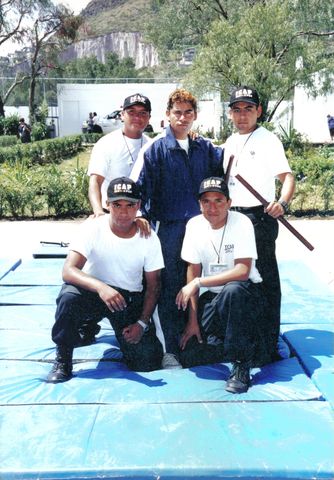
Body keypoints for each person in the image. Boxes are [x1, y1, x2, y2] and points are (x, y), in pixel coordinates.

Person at [134, 88, 223, 369]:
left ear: (195, 116)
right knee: (169, 288)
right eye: (177, 112)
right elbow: (135, 189)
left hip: (200, 229)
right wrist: (140, 215)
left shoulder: (205, 148)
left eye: (188, 113)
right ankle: (169, 348)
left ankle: (199, 338)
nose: (182, 118)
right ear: (167, 115)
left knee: (200, 284)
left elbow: (226, 170)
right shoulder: (155, 149)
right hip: (167, 232)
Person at [46, 177, 164, 384]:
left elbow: (154, 286)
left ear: (138, 206)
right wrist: (102, 288)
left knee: (148, 362)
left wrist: (141, 323)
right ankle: (64, 357)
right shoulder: (93, 228)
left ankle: (108, 330)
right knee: (68, 297)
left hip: (126, 300)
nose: (123, 212)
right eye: (117, 205)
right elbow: (68, 270)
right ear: (107, 204)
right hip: (94, 293)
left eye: (130, 205)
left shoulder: (148, 236)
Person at [223, 86, 295, 363]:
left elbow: (287, 177)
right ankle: (245, 338)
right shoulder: (230, 142)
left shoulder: (268, 140)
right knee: (239, 281)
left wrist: (282, 202)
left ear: (259, 111)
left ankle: (268, 344)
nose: (242, 115)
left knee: (264, 280)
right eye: (237, 109)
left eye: (248, 109)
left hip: (259, 217)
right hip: (233, 217)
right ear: (230, 113)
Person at [176, 177, 264, 393]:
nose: (212, 207)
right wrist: (192, 321)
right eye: (206, 201)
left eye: (218, 200)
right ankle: (237, 341)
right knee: (191, 355)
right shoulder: (194, 225)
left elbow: (242, 272)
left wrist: (199, 282)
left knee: (232, 290)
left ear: (229, 202)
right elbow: (192, 271)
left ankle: (241, 364)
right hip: (214, 296)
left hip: (244, 293)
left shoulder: (242, 222)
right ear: (199, 204)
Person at [87, 93, 152, 217]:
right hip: (111, 215)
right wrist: (98, 212)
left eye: (143, 113)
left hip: (143, 217)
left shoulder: (152, 146)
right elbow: (95, 181)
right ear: (122, 115)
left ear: (149, 117)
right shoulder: (106, 143)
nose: (137, 117)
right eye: (131, 112)